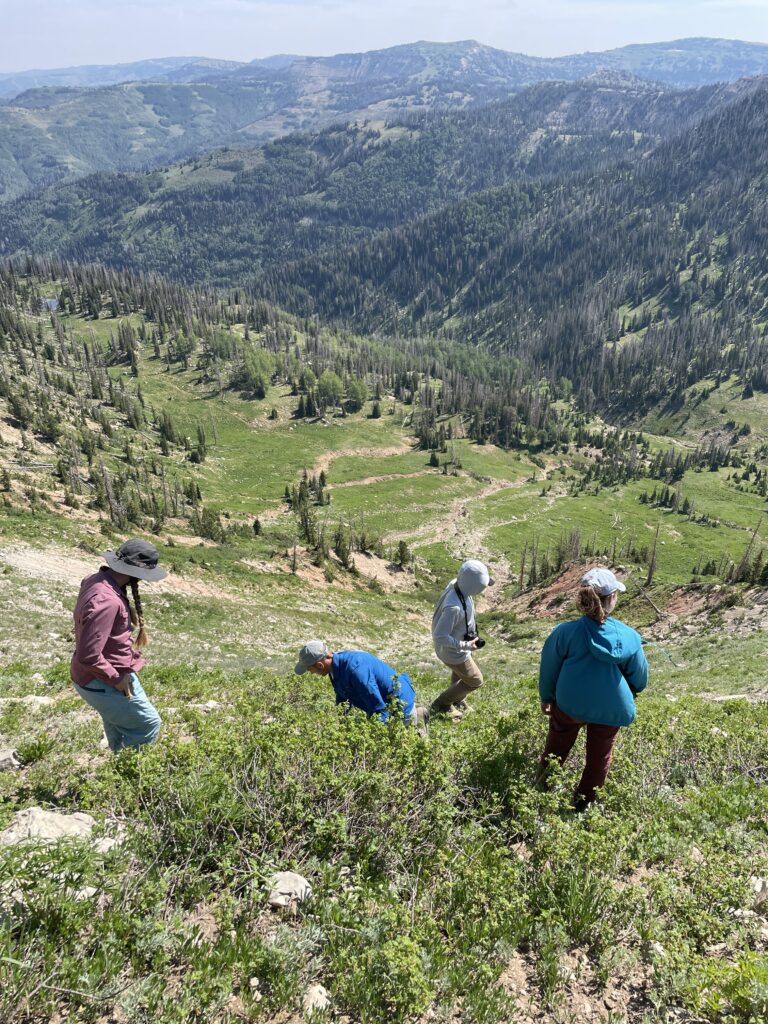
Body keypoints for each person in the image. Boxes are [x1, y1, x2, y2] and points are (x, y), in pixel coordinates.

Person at [536, 567, 648, 807]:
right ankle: (583, 803)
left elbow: (549, 669)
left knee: (557, 746)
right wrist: (632, 691)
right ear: (612, 598)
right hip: (611, 708)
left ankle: (542, 788)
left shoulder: (565, 632)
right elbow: (640, 678)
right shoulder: (629, 636)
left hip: (569, 703)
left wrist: (546, 696)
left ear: (583, 599)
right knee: (599, 757)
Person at [71, 539, 166, 752]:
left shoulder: (97, 580)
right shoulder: (108, 601)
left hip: (100, 674)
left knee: (118, 723)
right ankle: (129, 774)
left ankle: (117, 761)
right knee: (148, 724)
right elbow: (89, 655)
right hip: (103, 678)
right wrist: (116, 678)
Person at [295, 640, 428, 735]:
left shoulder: (355, 669)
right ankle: (416, 716)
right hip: (384, 705)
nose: (311, 672)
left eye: (309, 669)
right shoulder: (336, 667)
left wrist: (373, 739)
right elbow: (342, 697)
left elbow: (379, 709)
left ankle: (416, 718)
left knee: (393, 748)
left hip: (399, 705)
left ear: (319, 665)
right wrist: (342, 726)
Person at [430, 559, 493, 720]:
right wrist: (464, 645)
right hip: (453, 652)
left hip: (459, 647)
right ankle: (442, 704)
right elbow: (439, 636)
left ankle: (458, 699)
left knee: (459, 674)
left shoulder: (456, 585)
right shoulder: (454, 607)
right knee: (475, 680)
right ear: (473, 586)